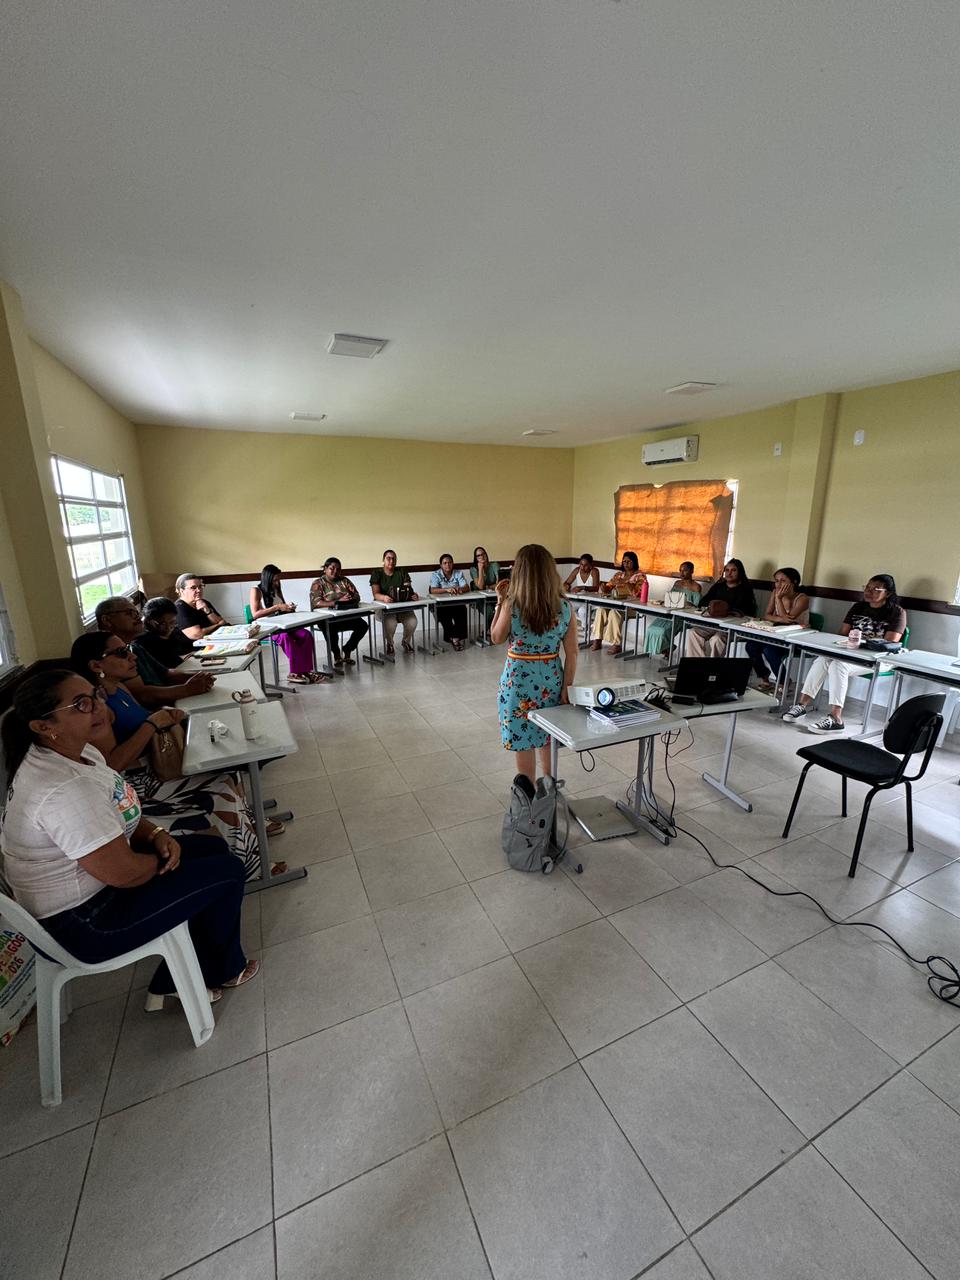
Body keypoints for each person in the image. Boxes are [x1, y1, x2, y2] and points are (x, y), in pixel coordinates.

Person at [0, 669, 259, 1010]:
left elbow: (118, 807)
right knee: (227, 872)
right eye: (81, 704)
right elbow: (125, 874)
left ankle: (188, 970)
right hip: (84, 924)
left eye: (95, 694)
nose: (98, 706)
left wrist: (156, 834)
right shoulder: (63, 790)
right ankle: (211, 971)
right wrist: (161, 859)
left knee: (211, 848)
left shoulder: (78, 753)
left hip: (97, 886)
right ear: (44, 726)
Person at [70, 632, 275, 876]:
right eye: (122, 653)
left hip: (156, 763)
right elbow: (112, 764)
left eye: (128, 649)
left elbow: (143, 717)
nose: (132, 657)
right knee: (219, 788)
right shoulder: (99, 709)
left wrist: (164, 715)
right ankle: (249, 867)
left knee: (229, 774)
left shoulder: (121, 689)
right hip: (138, 783)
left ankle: (249, 832)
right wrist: (152, 724)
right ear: (96, 666)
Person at [491, 543, 578, 784]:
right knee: (548, 736)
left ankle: (527, 794)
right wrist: (567, 687)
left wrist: (499, 602)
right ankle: (549, 790)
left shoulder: (512, 604)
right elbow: (572, 652)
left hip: (518, 681)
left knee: (523, 739)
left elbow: (496, 637)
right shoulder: (564, 606)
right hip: (551, 678)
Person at [782, 574, 906, 734]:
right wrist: (849, 644)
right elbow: (842, 634)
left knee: (838, 665)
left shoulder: (897, 612)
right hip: (852, 654)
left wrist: (858, 643)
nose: (868, 592)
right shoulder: (858, 607)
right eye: (867, 587)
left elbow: (889, 642)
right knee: (823, 659)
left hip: (880, 659)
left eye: (875, 589)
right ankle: (801, 705)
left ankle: (836, 718)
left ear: (887, 593)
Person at [96, 595, 216, 705]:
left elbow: (167, 674)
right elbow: (142, 695)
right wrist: (187, 689)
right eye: (129, 613)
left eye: (136, 612)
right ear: (107, 620)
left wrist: (204, 676)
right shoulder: (110, 655)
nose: (137, 616)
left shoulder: (135, 647)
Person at [250, 564, 328, 685]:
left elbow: (281, 608)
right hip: (268, 629)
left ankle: (299, 672)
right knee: (286, 637)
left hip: (283, 625)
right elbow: (255, 614)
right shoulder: (256, 590)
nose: (277, 583)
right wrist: (277, 607)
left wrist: (288, 608)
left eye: (278, 579)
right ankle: (302, 672)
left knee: (306, 635)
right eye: (274, 580)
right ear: (267, 579)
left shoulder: (276, 588)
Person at [744, 568, 810, 691]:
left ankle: (783, 681)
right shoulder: (775, 592)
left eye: (783, 581)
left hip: (795, 638)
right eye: (776, 581)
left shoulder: (802, 598)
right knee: (751, 646)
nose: (778, 584)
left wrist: (779, 599)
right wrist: (780, 618)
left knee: (769, 650)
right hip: (776, 634)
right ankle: (764, 677)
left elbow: (788, 620)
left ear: (794, 582)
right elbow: (767, 615)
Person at [683, 559, 757, 658]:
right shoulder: (719, 586)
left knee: (717, 639)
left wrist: (727, 609)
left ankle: (715, 666)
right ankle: (697, 664)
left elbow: (748, 612)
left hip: (732, 627)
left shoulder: (745, 589)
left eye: (733, 570)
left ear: (740, 572)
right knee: (693, 632)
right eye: (727, 570)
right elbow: (703, 602)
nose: (729, 573)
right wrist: (714, 606)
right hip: (714, 623)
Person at [309, 558, 369, 666]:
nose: (335, 571)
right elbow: (316, 603)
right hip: (326, 618)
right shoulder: (318, 583)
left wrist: (351, 598)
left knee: (363, 626)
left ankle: (347, 649)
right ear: (325, 569)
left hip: (344, 616)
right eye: (332, 568)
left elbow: (357, 595)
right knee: (330, 629)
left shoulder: (344, 580)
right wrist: (337, 602)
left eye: (338, 569)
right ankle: (337, 655)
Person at [590, 552, 648, 656]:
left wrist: (624, 583)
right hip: (616, 604)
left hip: (633, 607)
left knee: (614, 612)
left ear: (634, 562)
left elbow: (636, 594)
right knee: (601, 610)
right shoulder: (619, 575)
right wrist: (604, 587)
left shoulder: (640, 576)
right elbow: (608, 588)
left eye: (628, 561)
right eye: (624, 561)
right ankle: (597, 639)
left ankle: (616, 644)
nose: (626, 563)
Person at [643, 562, 702, 656]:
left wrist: (685, 603)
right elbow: (670, 598)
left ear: (692, 571)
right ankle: (667, 647)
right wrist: (663, 602)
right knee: (651, 628)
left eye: (685, 570)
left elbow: (696, 607)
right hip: (669, 612)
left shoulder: (696, 587)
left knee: (662, 631)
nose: (682, 573)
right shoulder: (677, 583)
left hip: (683, 616)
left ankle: (666, 647)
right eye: (680, 570)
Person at [369, 550, 419, 656]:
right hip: (384, 607)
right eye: (388, 558)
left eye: (393, 559)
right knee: (390, 623)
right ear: (383, 560)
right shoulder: (376, 573)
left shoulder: (402, 572)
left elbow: (408, 589)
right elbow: (376, 594)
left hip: (401, 606)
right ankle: (390, 644)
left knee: (412, 621)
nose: (391, 561)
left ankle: (406, 642)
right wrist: (384, 597)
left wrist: (413, 595)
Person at [429, 554, 470, 650]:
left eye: (450, 562)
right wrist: (446, 590)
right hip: (441, 604)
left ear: (453, 563)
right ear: (441, 565)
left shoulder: (458, 573)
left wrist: (460, 589)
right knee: (444, 614)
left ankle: (454, 637)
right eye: (445, 563)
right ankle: (454, 638)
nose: (448, 565)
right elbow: (433, 590)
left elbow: (466, 587)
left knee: (462, 610)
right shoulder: (436, 574)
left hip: (455, 602)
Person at [174, 574, 226, 641]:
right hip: (195, 646)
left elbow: (223, 622)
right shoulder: (179, 608)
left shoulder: (204, 602)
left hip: (213, 640)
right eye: (193, 587)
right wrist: (218, 625)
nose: (199, 590)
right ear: (182, 591)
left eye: (200, 586)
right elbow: (197, 635)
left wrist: (207, 611)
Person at [469, 546, 500, 630]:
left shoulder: (494, 565)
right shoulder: (473, 569)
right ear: (476, 558)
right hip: (481, 598)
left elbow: (499, 583)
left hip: (495, 596)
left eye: (483, 554)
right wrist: (480, 569)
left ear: (486, 554)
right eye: (478, 555)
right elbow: (480, 586)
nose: (481, 556)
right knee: (489, 611)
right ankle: (488, 631)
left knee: (500, 609)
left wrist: (488, 587)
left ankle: (491, 631)